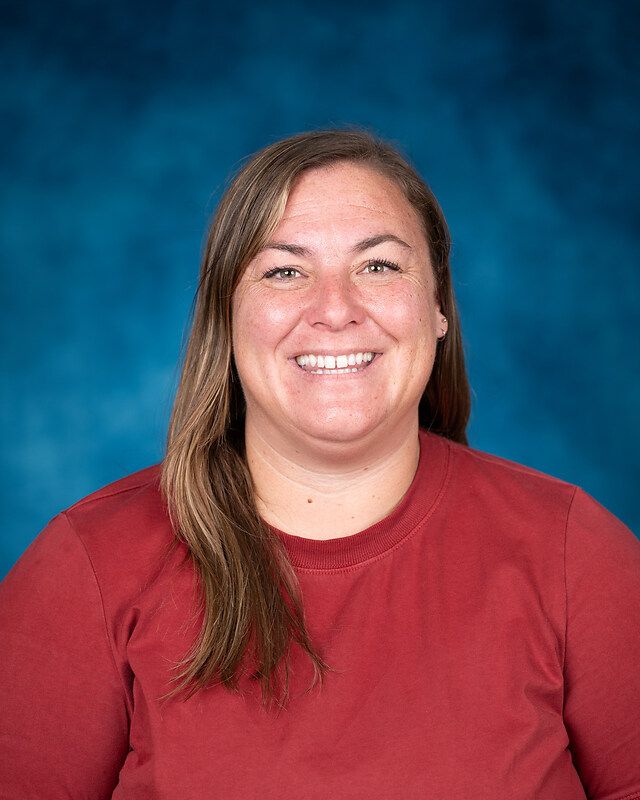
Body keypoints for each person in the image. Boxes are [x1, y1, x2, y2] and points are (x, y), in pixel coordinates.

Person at [1, 129, 639, 800]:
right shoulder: (89, 566)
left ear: (438, 307)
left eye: (379, 266)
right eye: (284, 271)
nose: (335, 310)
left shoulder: (571, 551)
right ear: (227, 315)